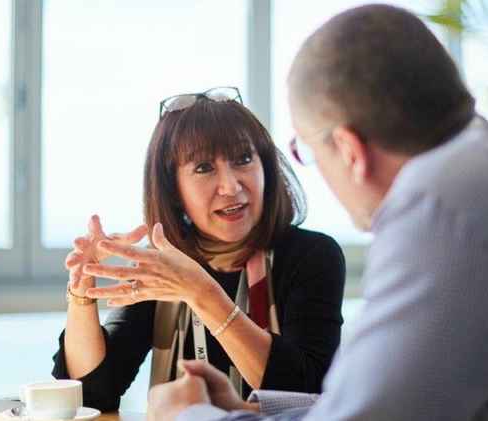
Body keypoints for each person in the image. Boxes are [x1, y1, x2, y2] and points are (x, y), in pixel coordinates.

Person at [147, 4, 488, 421]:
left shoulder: (447, 210)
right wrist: (252, 410)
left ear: (350, 150)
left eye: (308, 151)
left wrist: (192, 415)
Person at [51, 87, 346, 411]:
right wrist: (82, 292)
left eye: (244, 159)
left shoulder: (313, 256)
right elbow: (93, 395)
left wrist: (201, 294)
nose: (231, 186)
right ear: (173, 189)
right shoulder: (166, 263)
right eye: (204, 168)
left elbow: (306, 393)